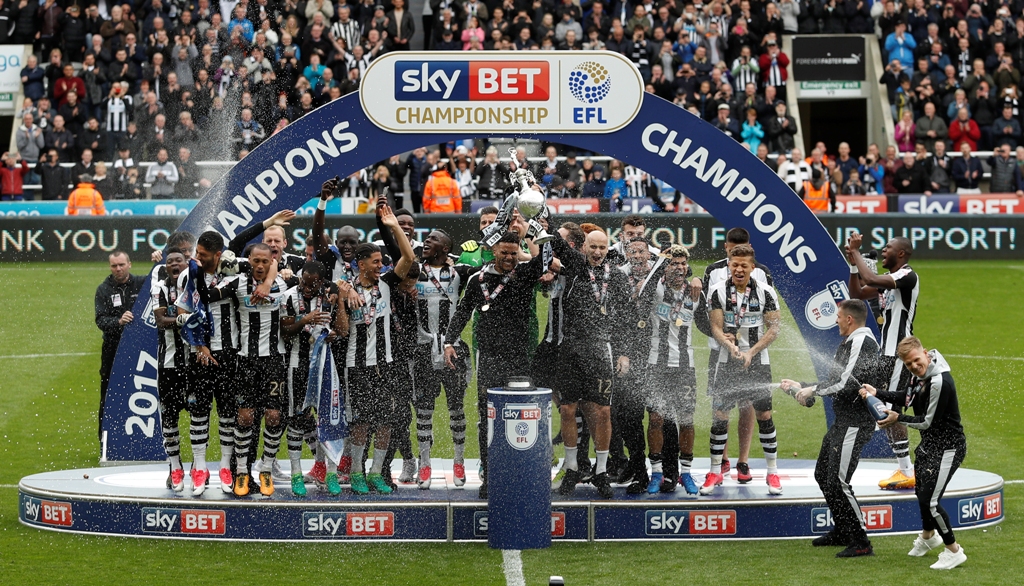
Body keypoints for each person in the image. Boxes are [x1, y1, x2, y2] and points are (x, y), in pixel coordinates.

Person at [443, 223, 548, 499]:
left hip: (520, 361)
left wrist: (528, 231)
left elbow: (544, 259)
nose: (509, 258)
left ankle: (523, 473)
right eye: (505, 252)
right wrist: (449, 342)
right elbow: (463, 311)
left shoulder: (525, 275)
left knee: (523, 418)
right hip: (489, 358)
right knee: (487, 419)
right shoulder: (478, 280)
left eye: (514, 253)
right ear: (493, 251)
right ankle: (489, 478)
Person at [780, 299, 881, 558]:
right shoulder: (851, 342)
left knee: (838, 480)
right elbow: (836, 381)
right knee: (823, 473)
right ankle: (843, 531)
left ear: (849, 319)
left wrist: (811, 389)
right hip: (844, 421)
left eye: (838, 316)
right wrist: (802, 385)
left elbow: (848, 384)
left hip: (855, 424)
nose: (835, 320)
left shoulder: (861, 342)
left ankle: (861, 541)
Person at [860, 336, 968, 570]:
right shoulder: (919, 375)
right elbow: (906, 397)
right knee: (922, 494)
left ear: (926, 353)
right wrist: (877, 392)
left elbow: (927, 422)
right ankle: (929, 538)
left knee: (930, 501)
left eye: (917, 361)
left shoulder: (939, 382)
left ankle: (954, 551)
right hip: (930, 445)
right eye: (909, 364)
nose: (914, 366)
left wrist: (897, 418)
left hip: (948, 447)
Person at [549, 227, 634, 499]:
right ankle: (572, 467)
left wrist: (622, 353)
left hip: (601, 349)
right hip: (571, 347)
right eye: (593, 247)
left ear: (608, 249)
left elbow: (625, 317)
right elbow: (555, 240)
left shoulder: (617, 277)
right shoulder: (574, 266)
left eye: (602, 248)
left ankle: (600, 471)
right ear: (583, 247)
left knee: (603, 412)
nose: (598, 252)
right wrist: (539, 210)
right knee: (567, 409)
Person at [341, 205, 417, 495]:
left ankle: (375, 473)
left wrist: (392, 225)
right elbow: (341, 327)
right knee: (360, 422)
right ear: (361, 264)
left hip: (385, 364)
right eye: (374, 262)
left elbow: (408, 258)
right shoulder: (346, 289)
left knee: (386, 420)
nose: (379, 266)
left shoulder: (386, 284)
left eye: (381, 261)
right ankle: (357, 473)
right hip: (356, 364)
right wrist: (341, 294)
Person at [204, 243, 289, 497]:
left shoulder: (284, 283)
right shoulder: (236, 284)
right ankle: (242, 471)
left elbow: (313, 279)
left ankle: (265, 469)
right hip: (246, 361)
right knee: (245, 417)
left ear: (272, 260)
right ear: (248, 261)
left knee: (274, 417)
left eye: (266, 261)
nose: (260, 266)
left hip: (275, 360)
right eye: (256, 261)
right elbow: (207, 296)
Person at [701, 244, 783, 496]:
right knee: (720, 414)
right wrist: (727, 343)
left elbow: (774, 329)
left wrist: (751, 352)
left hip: (758, 361)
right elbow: (715, 326)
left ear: (752, 268)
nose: (738, 269)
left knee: (764, 415)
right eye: (734, 264)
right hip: (726, 360)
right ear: (729, 264)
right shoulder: (717, 291)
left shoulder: (766, 292)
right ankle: (715, 470)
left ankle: (772, 473)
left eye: (743, 266)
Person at [847, 232, 919, 490]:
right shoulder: (890, 282)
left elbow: (871, 278)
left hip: (900, 352)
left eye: (888, 248)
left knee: (888, 410)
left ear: (901, 254)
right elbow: (856, 292)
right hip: (887, 354)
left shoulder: (906, 276)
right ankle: (905, 468)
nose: (884, 251)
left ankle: (907, 470)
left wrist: (856, 251)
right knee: (881, 408)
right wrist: (854, 264)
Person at [637, 244, 707, 495]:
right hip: (656, 365)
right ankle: (656, 472)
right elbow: (646, 284)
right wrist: (661, 260)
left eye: (682, 263)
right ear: (665, 268)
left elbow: (709, 323)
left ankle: (685, 474)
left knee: (686, 420)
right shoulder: (655, 288)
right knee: (655, 419)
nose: (679, 267)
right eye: (673, 263)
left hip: (685, 368)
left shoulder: (696, 292)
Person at [412, 229, 476, 489]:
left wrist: (476, 250)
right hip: (423, 350)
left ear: (446, 248)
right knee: (424, 410)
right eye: (426, 238)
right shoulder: (414, 270)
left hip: (454, 349)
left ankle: (458, 461)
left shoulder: (460, 272)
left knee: (456, 408)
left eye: (434, 239)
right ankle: (424, 465)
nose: (427, 240)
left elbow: (489, 264)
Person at [281, 261, 347, 495]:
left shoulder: (329, 297)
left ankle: (330, 474)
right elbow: (285, 331)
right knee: (298, 418)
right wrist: (305, 320)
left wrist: (338, 304)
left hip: (325, 366)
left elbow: (343, 330)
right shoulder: (288, 296)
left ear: (321, 282)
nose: (307, 289)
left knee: (328, 418)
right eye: (304, 283)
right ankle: (296, 474)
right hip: (297, 365)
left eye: (312, 285)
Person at [152, 248, 202, 493]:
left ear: (186, 264)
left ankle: (196, 466)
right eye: (169, 261)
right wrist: (184, 320)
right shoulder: (160, 288)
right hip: (169, 365)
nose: (174, 264)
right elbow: (161, 320)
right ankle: (174, 466)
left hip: (193, 364)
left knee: (197, 416)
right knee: (169, 417)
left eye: (178, 261)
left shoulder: (196, 287)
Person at [94, 251, 147, 441]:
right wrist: (118, 322)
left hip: (140, 350)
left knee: (141, 392)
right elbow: (100, 320)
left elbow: (165, 277)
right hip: (112, 350)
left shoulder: (142, 283)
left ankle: (140, 436)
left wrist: (159, 260)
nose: (118, 268)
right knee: (109, 394)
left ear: (129, 264)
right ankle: (105, 440)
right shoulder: (104, 290)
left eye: (121, 264)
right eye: (114, 265)